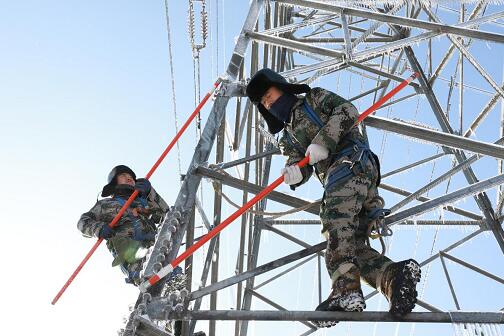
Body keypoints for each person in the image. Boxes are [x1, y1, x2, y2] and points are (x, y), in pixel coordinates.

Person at [246, 69, 421, 327]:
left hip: (351, 163)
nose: (269, 104)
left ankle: (346, 290)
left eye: (269, 96)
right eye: (265, 104)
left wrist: (324, 141)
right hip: (344, 178)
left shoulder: (313, 99)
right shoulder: (288, 137)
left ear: (281, 88)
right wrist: (296, 174)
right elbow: (299, 163)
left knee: (334, 219)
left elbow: (348, 111)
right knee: (350, 245)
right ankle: (393, 278)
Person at [77, 165, 170, 285]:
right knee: (148, 276)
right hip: (131, 251)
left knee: (170, 273)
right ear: (114, 183)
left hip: (155, 247)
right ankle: (146, 281)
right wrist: (99, 228)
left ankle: (175, 284)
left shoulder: (143, 202)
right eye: (123, 175)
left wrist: (150, 192)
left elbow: (167, 215)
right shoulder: (106, 204)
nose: (129, 177)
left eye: (130, 176)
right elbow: (83, 222)